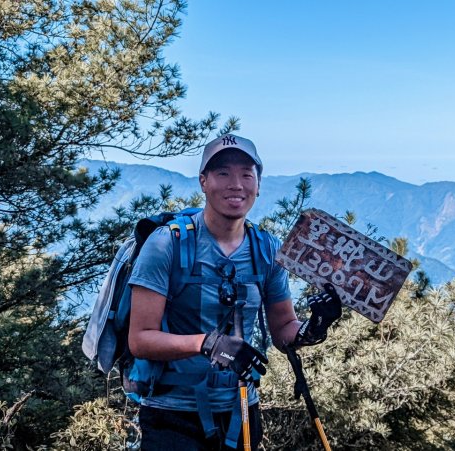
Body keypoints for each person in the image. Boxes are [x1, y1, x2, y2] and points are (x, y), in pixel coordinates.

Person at [127, 134, 342, 450]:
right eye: (222, 173)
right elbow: (140, 339)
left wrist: (315, 327)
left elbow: (283, 330)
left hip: (240, 411)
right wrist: (209, 343)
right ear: (203, 181)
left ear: (258, 184)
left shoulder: (266, 249)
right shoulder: (166, 245)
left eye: (246, 174)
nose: (236, 184)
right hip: (172, 415)